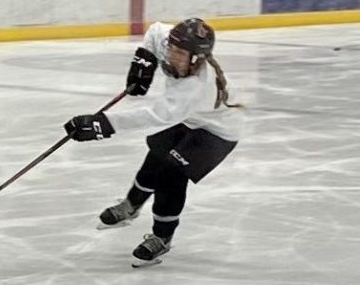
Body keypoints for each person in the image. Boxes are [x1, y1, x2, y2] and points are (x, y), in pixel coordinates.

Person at [64, 18, 244, 267]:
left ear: (197, 59)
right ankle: (132, 204)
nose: (172, 55)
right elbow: (155, 31)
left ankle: (162, 237)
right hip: (190, 119)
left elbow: (155, 116)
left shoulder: (196, 87)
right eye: (172, 49)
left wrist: (103, 124)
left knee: (172, 173)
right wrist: (144, 62)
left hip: (217, 133)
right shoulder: (171, 43)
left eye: (180, 53)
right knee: (157, 153)